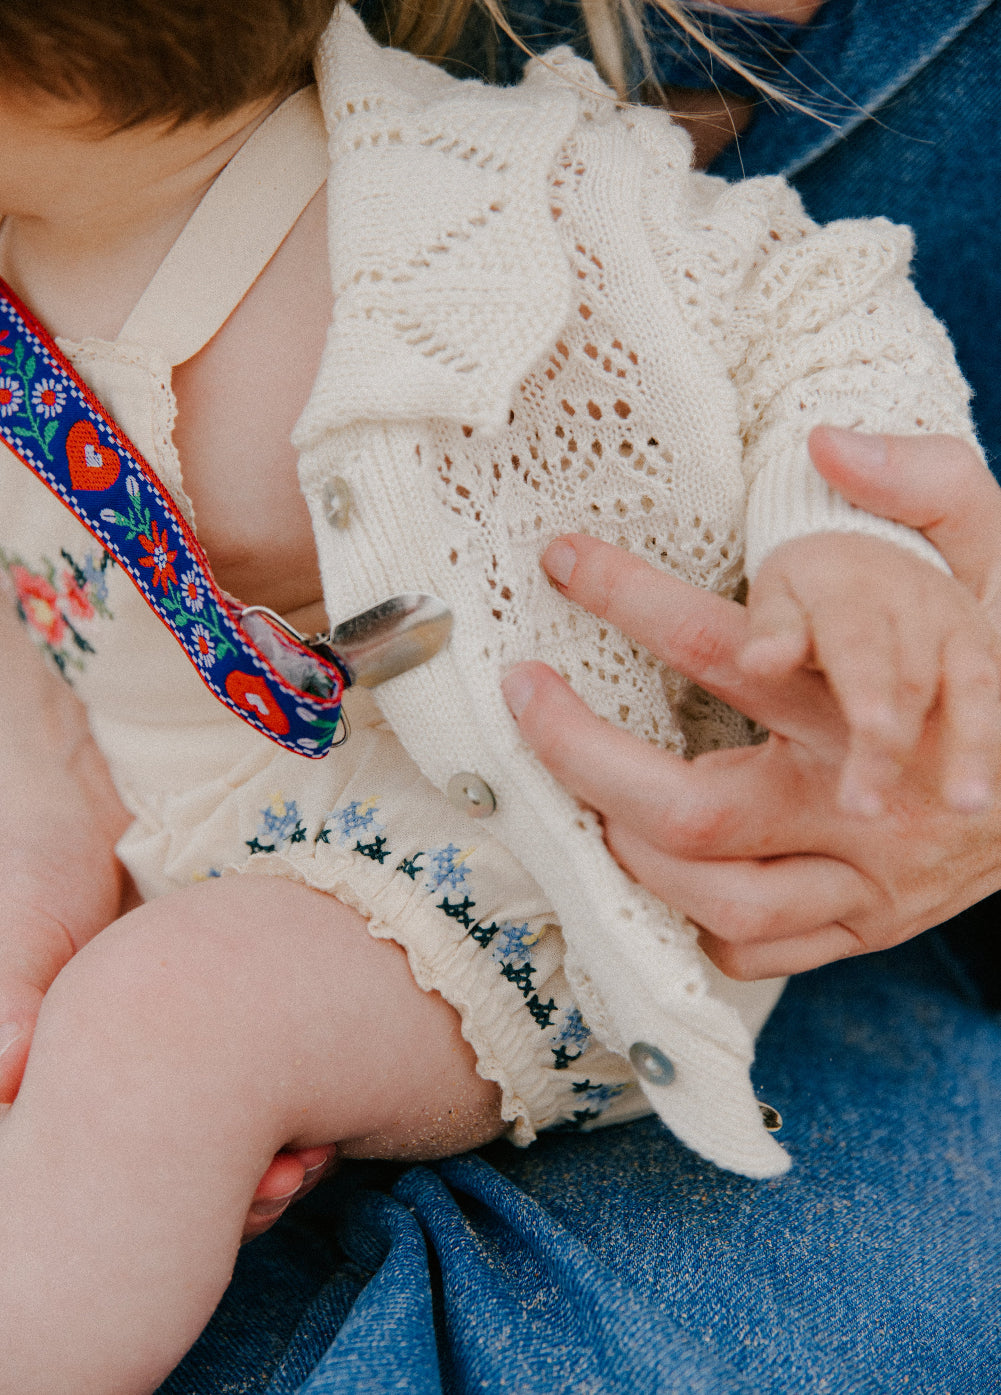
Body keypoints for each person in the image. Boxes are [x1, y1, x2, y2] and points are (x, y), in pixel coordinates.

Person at [0, 4, 996, 1394]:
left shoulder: (486, 185)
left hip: (506, 858)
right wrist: (38, 820)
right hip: (166, 806)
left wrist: (840, 539)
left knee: (165, 1024)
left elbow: (810, 304)